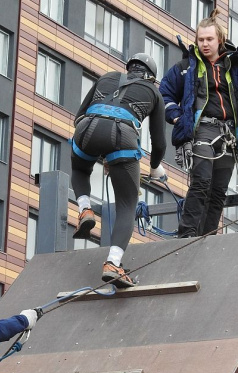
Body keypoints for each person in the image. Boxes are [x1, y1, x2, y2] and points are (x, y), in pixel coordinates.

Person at [159, 8, 238, 238]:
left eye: (209, 39)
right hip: (203, 129)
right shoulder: (187, 68)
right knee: (201, 181)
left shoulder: (237, 71)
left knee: (218, 192)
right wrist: (176, 116)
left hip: (229, 136)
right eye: (201, 39)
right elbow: (164, 92)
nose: (205, 44)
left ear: (220, 40)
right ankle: (187, 234)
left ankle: (206, 239)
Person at [70, 53, 167, 288]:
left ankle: (84, 209)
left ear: (129, 68)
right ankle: (113, 264)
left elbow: (79, 115)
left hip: (86, 129)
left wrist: (100, 149)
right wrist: (154, 168)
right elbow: (160, 143)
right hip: (122, 136)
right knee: (127, 203)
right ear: (151, 77)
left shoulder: (108, 77)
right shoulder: (154, 93)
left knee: (80, 169)